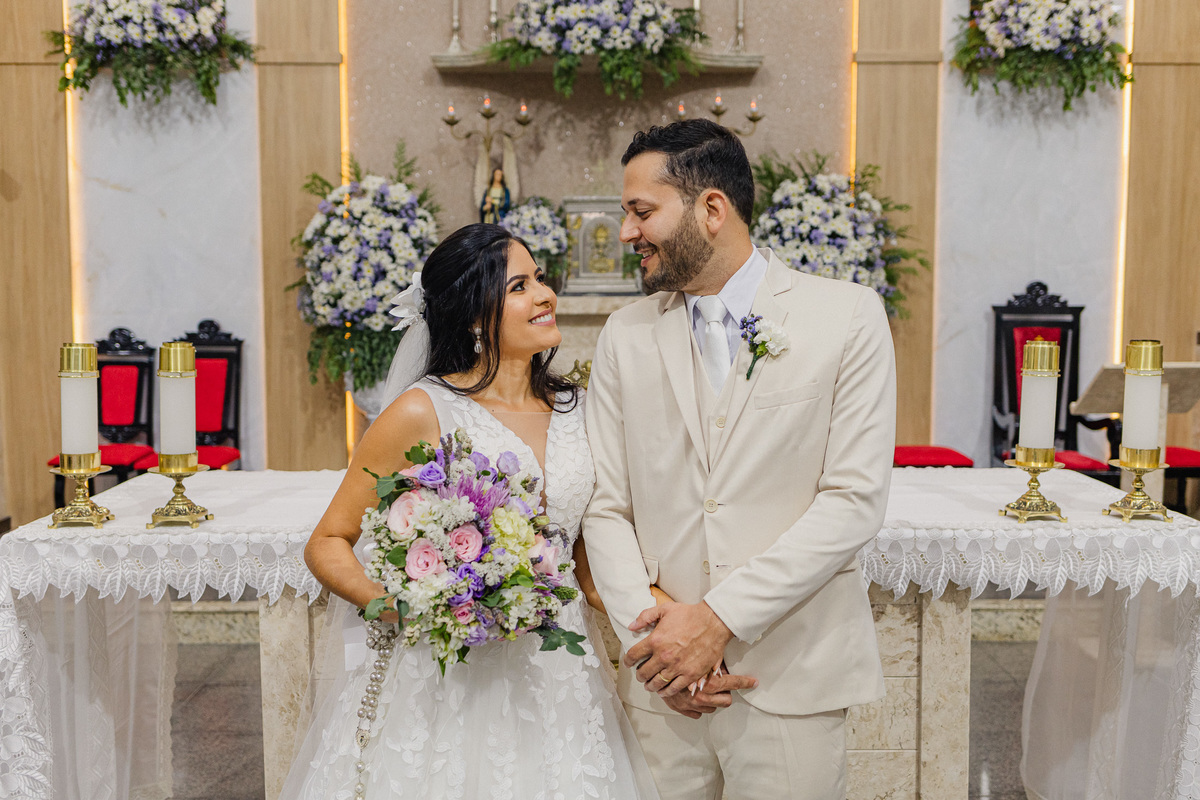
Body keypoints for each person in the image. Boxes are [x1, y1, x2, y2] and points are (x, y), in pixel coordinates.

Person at [281, 224, 660, 799]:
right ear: (474, 317)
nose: (545, 295)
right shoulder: (423, 410)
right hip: (449, 672)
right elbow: (328, 540)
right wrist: (403, 607)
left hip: (558, 669)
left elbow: (586, 558)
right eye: (519, 286)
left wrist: (664, 619)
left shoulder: (578, 408)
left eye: (540, 279)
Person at [582, 119, 897, 799]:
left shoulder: (846, 317)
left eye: (642, 211)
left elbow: (853, 501)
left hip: (793, 674)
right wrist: (659, 647)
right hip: (660, 689)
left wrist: (718, 620)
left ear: (712, 209)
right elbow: (605, 507)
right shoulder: (624, 335)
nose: (628, 232)